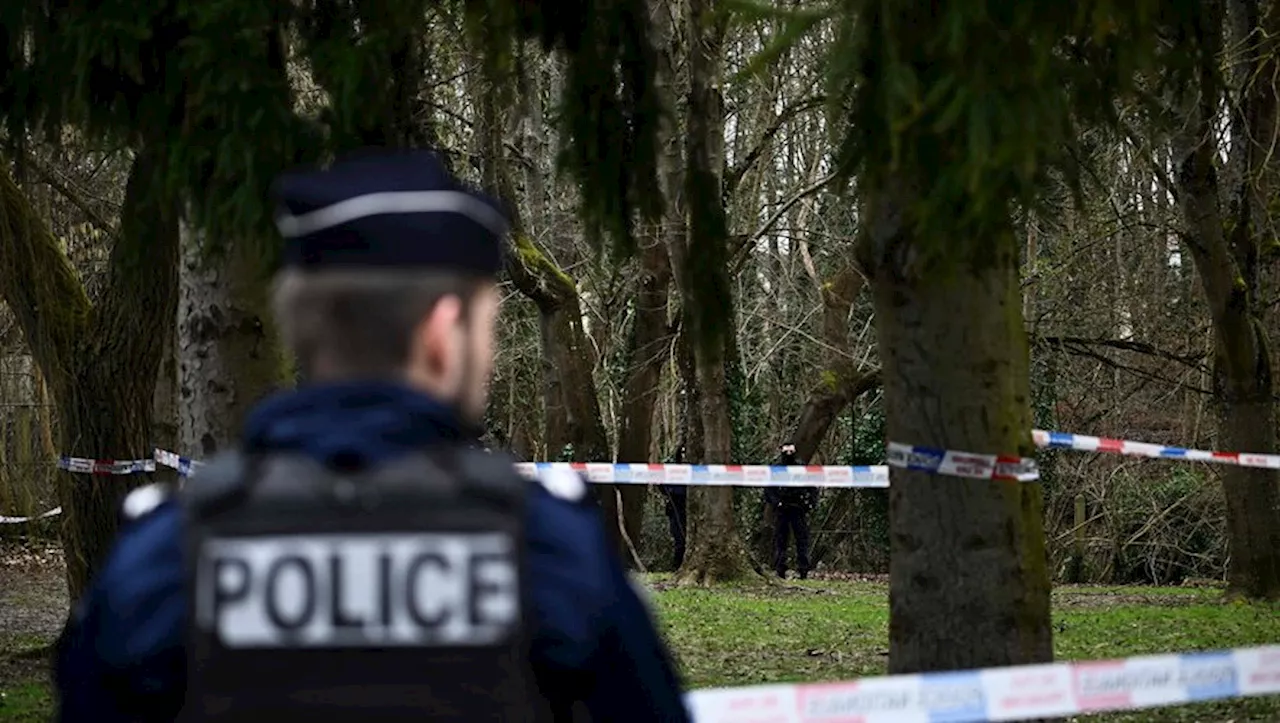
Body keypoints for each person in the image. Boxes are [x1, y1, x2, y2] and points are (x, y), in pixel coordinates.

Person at [53, 149, 690, 723]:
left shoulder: (164, 558)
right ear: (443, 334)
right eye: (488, 328)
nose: (491, 354)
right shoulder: (550, 553)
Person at [764, 442, 818, 580]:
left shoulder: (801, 468)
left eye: (791, 452)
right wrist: (777, 503)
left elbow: (812, 487)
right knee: (781, 539)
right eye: (786, 452)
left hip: (798, 508)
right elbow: (769, 490)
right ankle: (780, 569)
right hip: (782, 509)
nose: (789, 455)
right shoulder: (776, 469)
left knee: (802, 540)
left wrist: (809, 503)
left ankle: (803, 570)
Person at [658, 445, 688, 570]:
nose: (685, 456)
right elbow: (660, 484)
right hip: (675, 506)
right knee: (679, 539)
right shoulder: (671, 468)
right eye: (682, 453)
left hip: (689, 507)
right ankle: (676, 566)